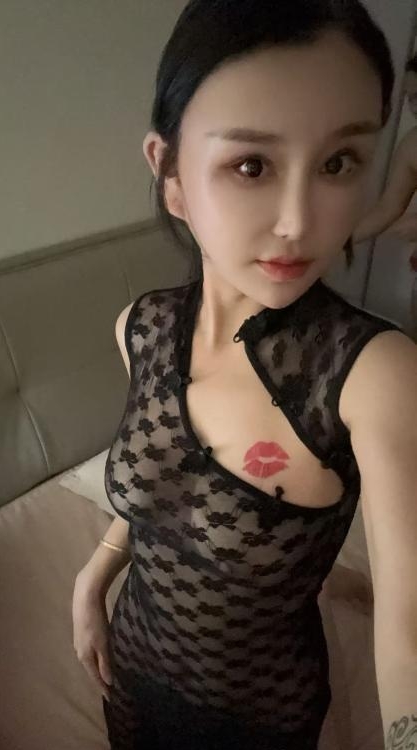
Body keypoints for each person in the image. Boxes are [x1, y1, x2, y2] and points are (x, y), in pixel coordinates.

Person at [72, 2, 417, 749]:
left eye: (339, 162)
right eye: (251, 165)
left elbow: (409, 633)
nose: (299, 221)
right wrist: (94, 573)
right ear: (170, 175)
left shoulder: (374, 376)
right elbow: (162, 481)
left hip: (258, 717)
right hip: (130, 666)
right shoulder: (142, 328)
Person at [353, 52, 417, 255]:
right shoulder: (412, 145)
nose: (414, 107)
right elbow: (388, 208)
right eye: (410, 98)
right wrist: (339, 242)